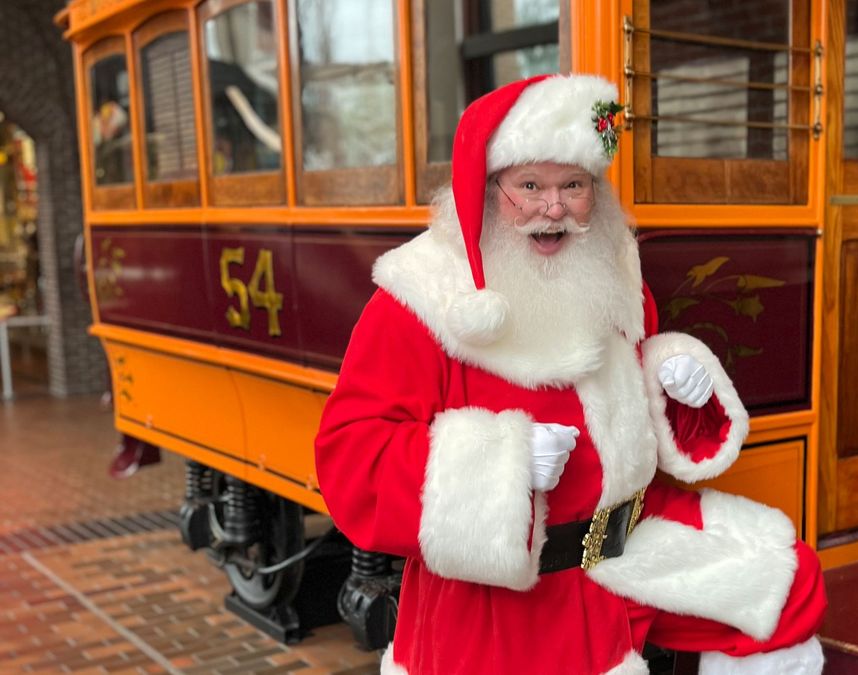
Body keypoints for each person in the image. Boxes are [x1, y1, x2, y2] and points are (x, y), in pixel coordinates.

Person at [315, 73, 827, 675]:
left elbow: (633, 415)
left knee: (783, 584)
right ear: (487, 187)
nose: (553, 209)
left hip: (624, 541)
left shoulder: (610, 274)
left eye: (574, 186)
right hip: (502, 592)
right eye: (529, 185)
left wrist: (677, 386)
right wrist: (502, 467)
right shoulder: (417, 299)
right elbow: (350, 458)